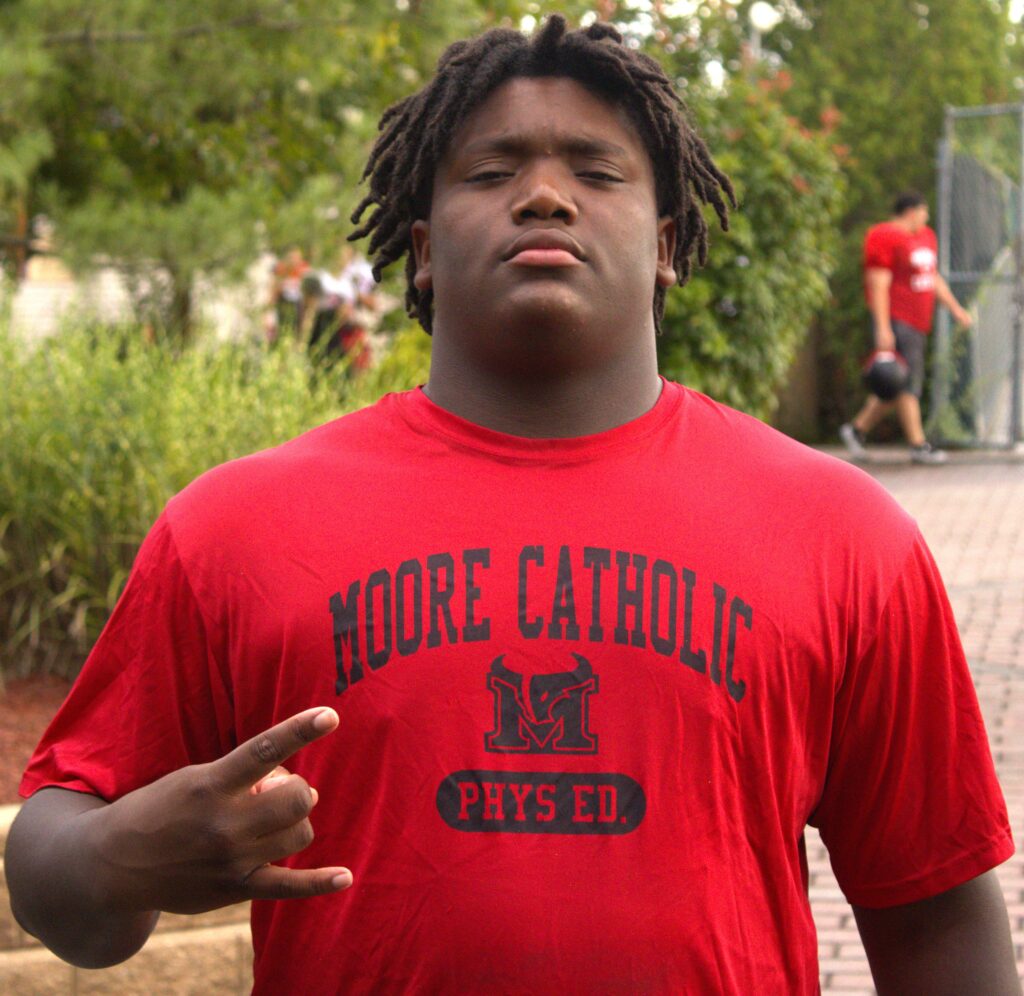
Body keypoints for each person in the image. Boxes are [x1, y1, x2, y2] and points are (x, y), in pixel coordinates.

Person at [6, 16, 1018, 996]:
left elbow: (933, 912)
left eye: (594, 169)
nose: (542, 194)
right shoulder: (236, 527)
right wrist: (116, 857)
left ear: (667, 243)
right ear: (425, 249)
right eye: (491, 174)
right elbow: (54, 875)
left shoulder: (839, 534)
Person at [840, 192, 973, 465]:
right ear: (911, 211)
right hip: (898, 321)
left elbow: (932, 277)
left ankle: (856, 430)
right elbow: (878, 283)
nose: (926, 217)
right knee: (906, 384)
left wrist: (956, 309)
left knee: (894, 384)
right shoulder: (885, 236)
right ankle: (918, 445)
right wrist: (883, 327)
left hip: (918, 322)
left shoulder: (925, 237)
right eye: (923, 211)